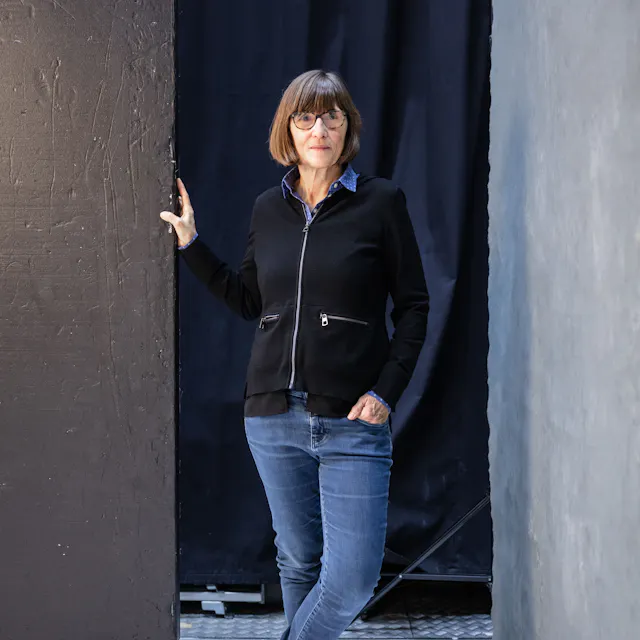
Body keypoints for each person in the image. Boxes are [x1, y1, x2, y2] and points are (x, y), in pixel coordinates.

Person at [160, 69, 429, 640]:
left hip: (353, 419)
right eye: (305, 118)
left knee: (352, 579)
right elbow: (248, 299)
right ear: (288, 129)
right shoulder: (268, 208)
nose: (319, 130)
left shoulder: (381, 202)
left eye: (332, 116)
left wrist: (387, 391)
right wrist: (192, 244)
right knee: (300, 561)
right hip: (272, 416)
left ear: (347, 127)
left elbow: (413, 307)